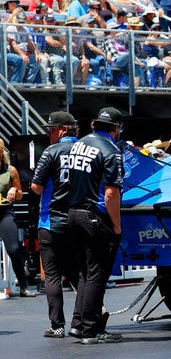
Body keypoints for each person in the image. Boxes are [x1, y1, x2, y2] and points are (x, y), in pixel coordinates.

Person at [67, 107, 125, 345]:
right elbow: (111, 194)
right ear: (117, 128)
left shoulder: (78, 144)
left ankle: (79, 324)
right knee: (97, 275)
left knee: (85, 273)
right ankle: (92, 330)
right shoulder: (111, 150)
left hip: (74, 213)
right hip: (95, 216)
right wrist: (117, 225)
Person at [30, 111, 80, 338]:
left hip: (51, 221)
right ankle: (87, 318)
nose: (48, 134)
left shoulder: (51, 152)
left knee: (52, 276)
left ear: (62, 130)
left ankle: (57, 326)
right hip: (79, 220)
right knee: (80, 274)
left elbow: (36, 188)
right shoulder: (85, 150)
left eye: (50, 130)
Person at [0, 138, 36, 297]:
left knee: (14, 249)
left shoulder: (10, 170)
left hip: (5, 211)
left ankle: (23, 286)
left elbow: (21, 195)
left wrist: (15, 190)